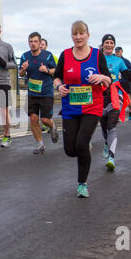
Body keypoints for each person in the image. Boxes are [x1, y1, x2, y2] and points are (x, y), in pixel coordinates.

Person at [53, 20, 111, 198]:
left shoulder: (96, 54)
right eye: (75, 34)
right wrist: (59, 87)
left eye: (81, 33)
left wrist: (101, 77)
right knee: (70, 150)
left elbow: (108, 81)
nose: (78, 37)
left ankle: (82, 184)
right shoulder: (65, 55)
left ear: (87, 35)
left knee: (81, 144)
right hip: (71, 106)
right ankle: (85, 145)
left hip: (92, 106)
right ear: (72, 35)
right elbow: (56, 77)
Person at [19, 32, 58, 154]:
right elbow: (21, 74)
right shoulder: (25, 56)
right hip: (32, 93)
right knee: (33, 118)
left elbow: (55, 70)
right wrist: (23, 70)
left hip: (46, 92)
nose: (33, 44)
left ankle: (53, 126)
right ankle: (40, 144)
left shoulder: (47, 56)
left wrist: (46, 70)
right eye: (31, 41)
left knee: (45, 119)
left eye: (35, 41)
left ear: (40, 43)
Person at [100, 34, 131, 171]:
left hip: (115, 94)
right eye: (106, 42)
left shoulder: (118, 61)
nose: (109, 45)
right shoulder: (96, 58)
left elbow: (128, 76)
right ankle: (107, 143)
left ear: (114, 45)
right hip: (99, 95)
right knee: (103, 123)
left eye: (111, 42)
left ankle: (111, 157)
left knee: (111, 125)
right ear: (103, 44)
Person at [115, 46, 131, 120]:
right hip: (117, 82)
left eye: (119, 51)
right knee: (117, 99)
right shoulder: (114, 60)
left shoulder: (126, 61)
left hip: (125, 82)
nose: (117, 53)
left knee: (127, 99)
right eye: (116, 51)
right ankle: (119, 115)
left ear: (122, 51)